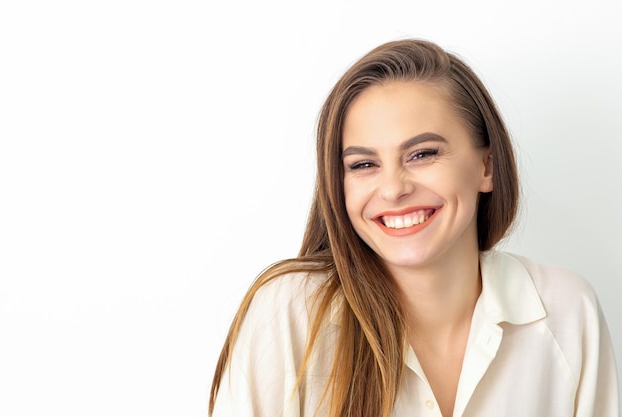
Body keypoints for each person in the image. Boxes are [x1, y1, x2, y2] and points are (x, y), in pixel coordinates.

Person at [207, 39, 619, 417]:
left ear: (486, 166)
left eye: (422, 153)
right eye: (363, 164)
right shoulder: (290, 314)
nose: (392, 189)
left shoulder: (567, 310)